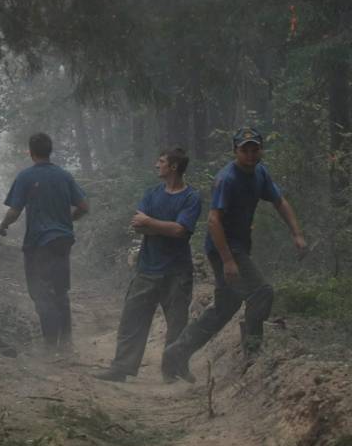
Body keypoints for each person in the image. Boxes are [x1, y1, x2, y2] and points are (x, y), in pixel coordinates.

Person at [161, 128, 307, 382]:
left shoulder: (260, 172)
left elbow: (280, 201)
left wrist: (296, 233)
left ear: (260, 149)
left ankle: (176, 353)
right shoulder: (227, 179)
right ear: (235, 151)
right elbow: (213, 221)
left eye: (254, 149)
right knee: (262, 291)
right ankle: (252, 351)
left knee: (225, 307)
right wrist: (227, 260)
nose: (250, 154)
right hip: (223, 247)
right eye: (245, 150)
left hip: (238, 245)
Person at [95, 148, 201, 383]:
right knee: (132, 319)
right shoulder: (151, 193)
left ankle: (172, 370)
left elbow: (181, 230)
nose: (157, 165)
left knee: (177, 323)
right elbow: (137, 225)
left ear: (173, 167)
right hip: (148, 267)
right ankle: (121, 368)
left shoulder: (191, 197)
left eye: (161, 161)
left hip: (177, 271)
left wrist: (152, 224)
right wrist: (165, 228)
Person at [0, 132, 89, 351]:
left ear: (30, 153)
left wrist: (3, 225)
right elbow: (84, 207)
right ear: (50, 151)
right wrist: (67, 220)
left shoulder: (26, 177)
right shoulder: (64, 176)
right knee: (60, 290)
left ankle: (50, 345)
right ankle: (66, 342)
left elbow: (14, 210)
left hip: (38, 243)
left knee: (40, 291)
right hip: (62, 241)